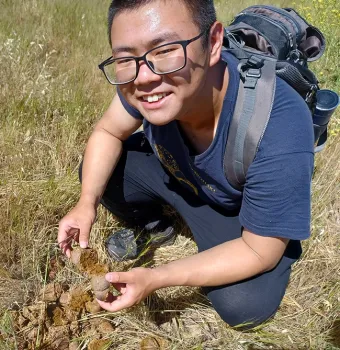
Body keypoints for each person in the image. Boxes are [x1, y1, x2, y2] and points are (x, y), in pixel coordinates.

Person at [58, 0, 314, 329]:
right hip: (182, 176)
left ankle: (213, 229)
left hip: (233, 208)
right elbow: (108, 131)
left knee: (245, 304)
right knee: (98, 174)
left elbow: (259, 251)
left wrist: (156, 277)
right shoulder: (144, 81)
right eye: (126, 59)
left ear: (214, 43)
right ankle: (158, 227)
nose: (145, 77)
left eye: (165, 50)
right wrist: (85, 204)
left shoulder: (280, 123)